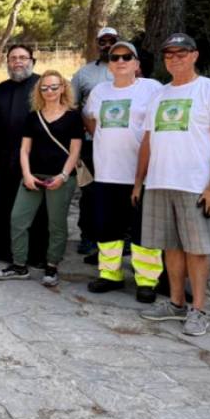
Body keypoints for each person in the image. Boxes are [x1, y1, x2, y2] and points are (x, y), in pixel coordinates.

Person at [137, 33, 210, 337]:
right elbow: (148, 141)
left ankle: (199, 309)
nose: (175, 59)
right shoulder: (159, 95)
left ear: (194, 55)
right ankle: (176, 302)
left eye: (181, 53)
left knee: (197, 250)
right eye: (169, 55)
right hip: (159, 182)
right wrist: (139, 181)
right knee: (171, 247)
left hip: (194, 185)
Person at [83, 41, 165, 301]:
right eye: (114, 57)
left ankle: (147, 280)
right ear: (109, 64)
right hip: (107, 172)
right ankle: (110, 274)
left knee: (143, 230)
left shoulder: (152, 88)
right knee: (107, 227)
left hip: (142, 175)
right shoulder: (99, 91)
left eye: (127, 57)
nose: (120, 61)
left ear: (137, 63)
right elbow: (89, 119)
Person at [0, 70, 83, 287]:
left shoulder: (73, 116)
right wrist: (26, 175)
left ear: (63, 88)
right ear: (39, 91)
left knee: (56, 224)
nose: (49, 91)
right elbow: (24, 150)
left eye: (54, 87)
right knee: (18, 219)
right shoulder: (33, 117)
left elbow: (74, 152)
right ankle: (19, 265)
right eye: (44, 88)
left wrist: (63, 176)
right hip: (33, 176)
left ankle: (51, 266)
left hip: (61, 178)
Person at [0, 45, 48, 265]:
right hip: (6, 157)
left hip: (37, 158)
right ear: (8, 63)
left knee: (36, 208)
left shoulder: (43, 85)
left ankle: (36, 255)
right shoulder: (1, 89)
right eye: (13, 58)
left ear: (32, 61)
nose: (18, 62)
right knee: (6, 204)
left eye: (23, 58)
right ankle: (4, 250)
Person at [72, 26, 119, 255]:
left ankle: (117, 236)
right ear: (97, 44)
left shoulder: (130, 70)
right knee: (89, 191)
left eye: (112, 41)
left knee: (117, 191)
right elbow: (72, 105)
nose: (107, 45)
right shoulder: (84, 74)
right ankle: (88, 237)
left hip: (122, 145)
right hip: (90, 143)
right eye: (103, 41)